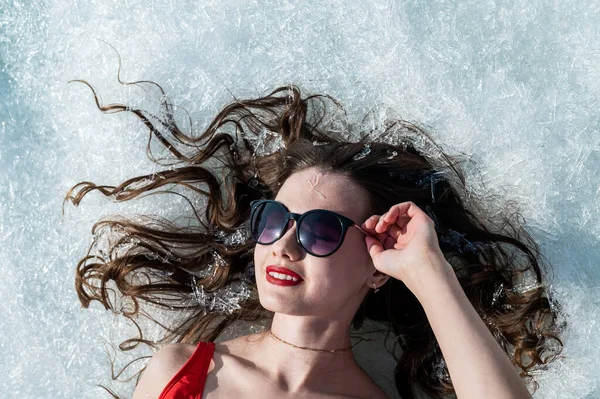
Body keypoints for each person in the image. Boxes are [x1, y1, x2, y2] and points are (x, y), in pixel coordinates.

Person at [66, 81, 564, 398]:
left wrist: (429, 274)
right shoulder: (179, 371)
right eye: (274, 219)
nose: (284, 244)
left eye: (320, 231)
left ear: (377, 266)